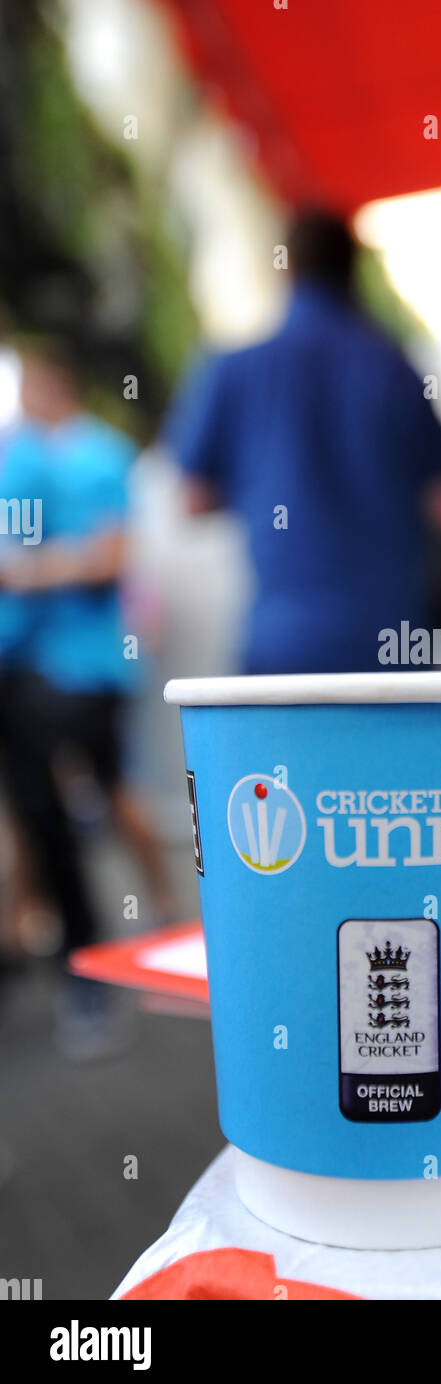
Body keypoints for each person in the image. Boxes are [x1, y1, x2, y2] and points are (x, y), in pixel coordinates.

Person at [165, 208, 441, 674]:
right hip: (392, 640)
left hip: (283, 639)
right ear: (353, 270)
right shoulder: (396, 369)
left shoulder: (234, 368)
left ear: (287, 269)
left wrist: (263, 488)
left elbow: (192, 499)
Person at [0, 338, 174, 1054]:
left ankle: (159, 915)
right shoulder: (27, 456)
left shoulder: (95, 454)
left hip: (89, 666)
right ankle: (37, 933)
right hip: (33, 666)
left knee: (103, 790)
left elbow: (110, 557)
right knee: (42, 805)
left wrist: (23, 573)